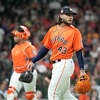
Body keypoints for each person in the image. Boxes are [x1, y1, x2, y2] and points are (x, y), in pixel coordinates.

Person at [30, 6, 85, 100]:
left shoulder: (75, 31)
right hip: (57, 66)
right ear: (61, 16)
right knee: (65, 95)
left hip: (64, 63)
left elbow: (79, 52)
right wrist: (33, 60)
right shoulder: (52, 30)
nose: (70, 17)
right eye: (68, 14)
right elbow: (45, 48)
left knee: (52, 92)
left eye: (72, 15)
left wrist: (82, 70)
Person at [7, 25, 38, 100]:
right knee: (11, 95)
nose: (13, 37)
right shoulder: (14, 45)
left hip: (27, 72)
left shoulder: (29, 47)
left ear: (21, 36)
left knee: (30, 97)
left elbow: (35, 60)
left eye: (15, 35)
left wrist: (30, 70)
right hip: (16, 73)